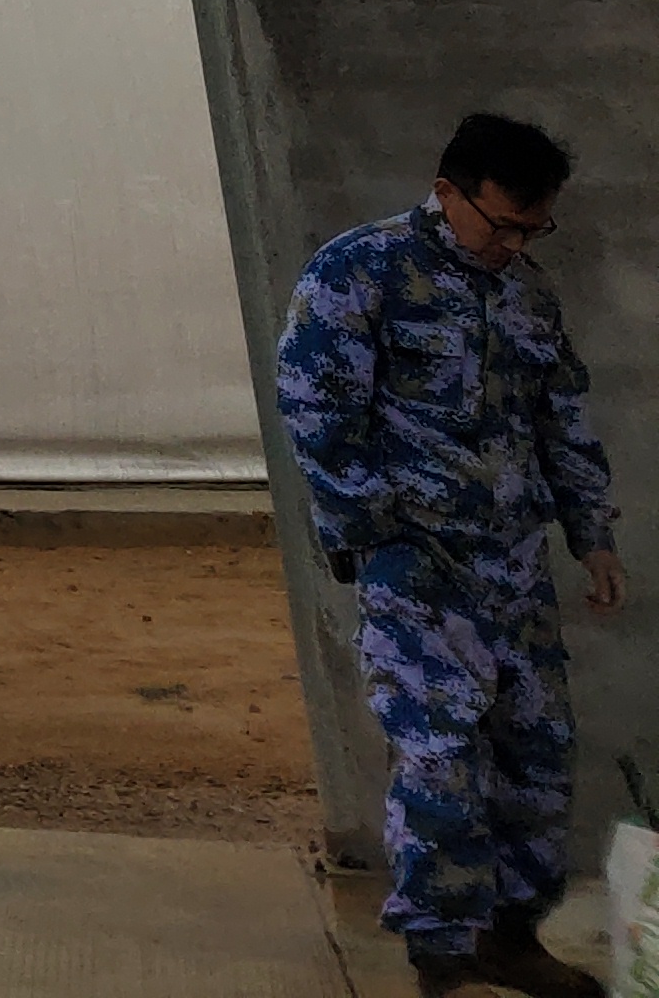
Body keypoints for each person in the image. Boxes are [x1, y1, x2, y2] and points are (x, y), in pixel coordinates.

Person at [277, 112, 626, 998]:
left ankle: (509, 938)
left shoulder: (528, 294)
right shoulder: (360, 271)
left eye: (533, 229)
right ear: (447, 193)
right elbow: (316, 410)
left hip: (515, 570)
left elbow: (562, 421)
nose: (514, 244)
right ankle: (442, 956)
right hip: (419, 567)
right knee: (439, 759)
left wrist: (592, 536)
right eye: (502, 224)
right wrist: (377, 537)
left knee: (536, 761)